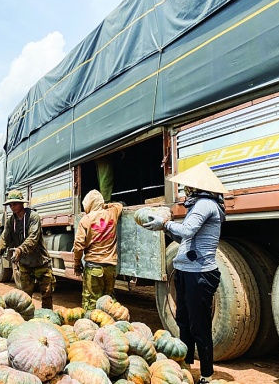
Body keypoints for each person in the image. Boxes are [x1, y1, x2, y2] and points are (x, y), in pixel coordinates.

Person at [142, 162, 227, 384]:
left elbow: (187, 230)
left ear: (197, 188)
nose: (185, 191)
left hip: (198, 273)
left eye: (187, 187)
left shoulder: (205, 204)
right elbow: (186, 237)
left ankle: (206, 374)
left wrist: (165, 224)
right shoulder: (198, 205)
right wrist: (167, 230)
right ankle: (186, 365)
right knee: (184, 320)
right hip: (185, 270)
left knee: (199, 324)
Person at [0, 189, 54, 309]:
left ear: (22, 203)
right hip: (25, 264)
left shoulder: (33, 217)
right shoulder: (11, 221)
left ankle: (48, 317)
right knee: (25, 297)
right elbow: (4, 239)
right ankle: (27, 319)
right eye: (10, 205)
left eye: (15, 204)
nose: (12, 207)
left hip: (41, 262)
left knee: (47, 294)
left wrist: (20, 250)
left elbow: (33, 238)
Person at [73, 189, 123, 311]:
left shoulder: (86, 220)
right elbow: (119, 205)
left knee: (91, 303)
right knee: (108, 302)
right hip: (110, 268)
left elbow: (78, 246)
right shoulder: (112, 213)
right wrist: (105, 206)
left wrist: (77, 264)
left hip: (94, 267)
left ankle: (92, 328)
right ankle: (110, 327)